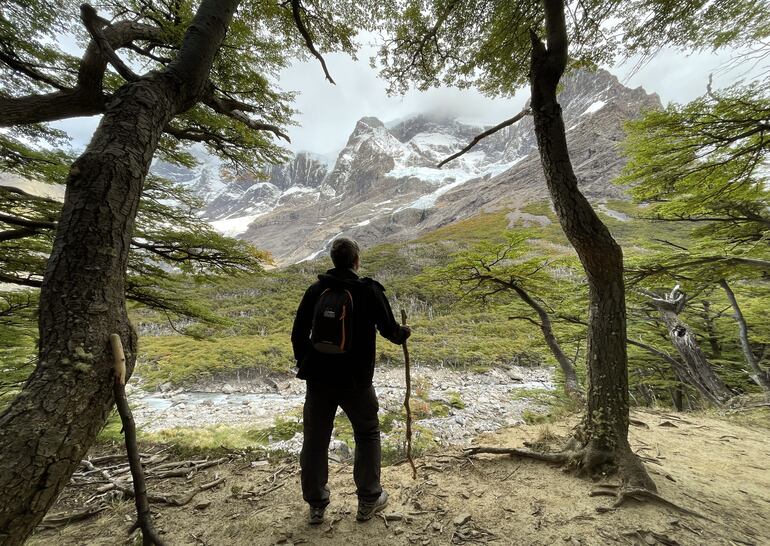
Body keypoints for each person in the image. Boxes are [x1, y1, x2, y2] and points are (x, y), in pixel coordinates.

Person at [291, 237, 411, 524]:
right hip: (357, 381)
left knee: (316, 439)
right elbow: (391, 332)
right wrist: (404, 333)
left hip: (318, 381)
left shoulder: (316, 290)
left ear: (333, 260)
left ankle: (317, 504)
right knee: (367, 434)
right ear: (356, 260)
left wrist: (309, 364)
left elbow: (298, 335)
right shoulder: (368, 290)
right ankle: (369, 499)